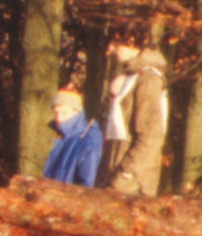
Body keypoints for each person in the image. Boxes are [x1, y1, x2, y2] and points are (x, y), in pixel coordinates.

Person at [100, 44, 169, 195]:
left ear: (131, 41)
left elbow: (151, 138)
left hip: (131, 188)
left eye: (115, 43)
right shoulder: (134, 76)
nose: (110, 48)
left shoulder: (148, 80)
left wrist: (125, 174)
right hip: (119, 182)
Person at [40, 87, 103, 187]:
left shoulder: (88, 140)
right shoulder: (59, 136)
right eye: (56, 113)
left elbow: (87, 184)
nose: (59, 118)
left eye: (64, 112)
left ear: (76, 112)